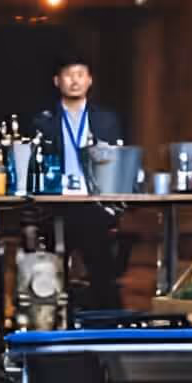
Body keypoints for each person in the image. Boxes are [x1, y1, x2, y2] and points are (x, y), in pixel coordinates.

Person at [34, 57, 125, 310]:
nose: (74, 80)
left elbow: (118, 159)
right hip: (55, 204)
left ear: (90, 80)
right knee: (50, 270)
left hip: (93, 202)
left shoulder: (106, 119)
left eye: (80, 74)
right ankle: (51, 325)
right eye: (68, 74)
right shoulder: (44, 120)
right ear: (56, 81)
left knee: (101, 269)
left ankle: (107, 327)